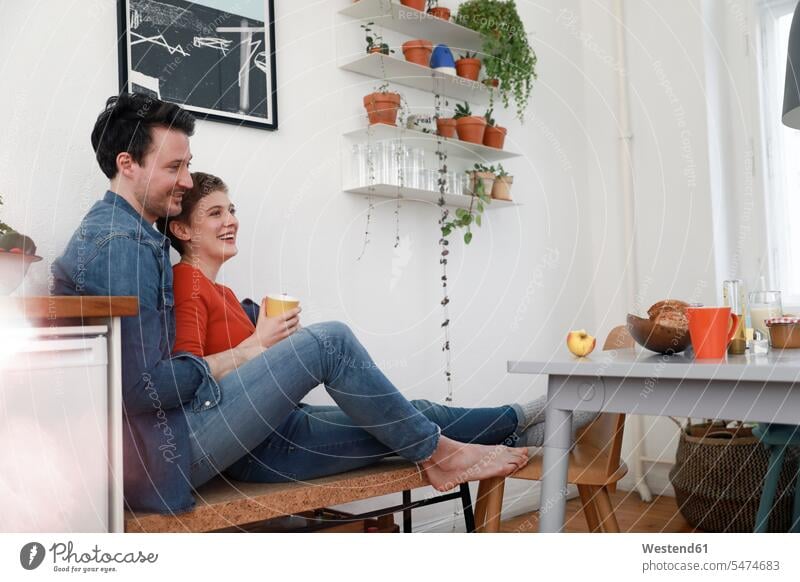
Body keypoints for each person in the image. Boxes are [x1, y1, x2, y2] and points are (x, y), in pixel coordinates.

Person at [51, 93, 589, 515]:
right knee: (328, 341)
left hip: (171, 439)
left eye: (188, 166)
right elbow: (140, 389)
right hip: (165, 455)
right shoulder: (120, 248)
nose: (186, 180)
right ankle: (448, 451)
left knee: (398, 407)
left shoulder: (129, 237)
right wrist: (249, 351)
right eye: (175, 169)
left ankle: (508, 428)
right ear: (128, 164)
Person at [156, 170, 597, 490]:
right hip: (264, 450)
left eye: (231, 209)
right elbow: (190, 386)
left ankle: (525, 424)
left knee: (413, 410)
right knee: (383, 396)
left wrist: (274, 346)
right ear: (181, 229)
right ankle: (510, 428)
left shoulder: (225, 293)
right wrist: (259, 344)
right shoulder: (188, 282)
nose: (230, 220)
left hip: (285, 424)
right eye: (215, 213)